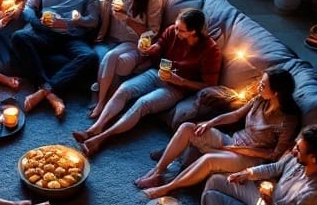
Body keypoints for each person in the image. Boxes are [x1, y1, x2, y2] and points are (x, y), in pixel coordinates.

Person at [73, 8, 221, 157]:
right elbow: (160, 46)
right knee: (124, 89)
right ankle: (94, 129)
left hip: (176, 89)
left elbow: (209, 85)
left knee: (142, 103)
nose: (176, 31)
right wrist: (148, 49)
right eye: (176, 27)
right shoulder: (172, 31)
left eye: (181, 30)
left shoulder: (210, 51)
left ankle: (100, 139)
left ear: (193, 32)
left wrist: (181, 81)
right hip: (156, 74)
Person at [135, 67, 299, 196]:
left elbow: (275, 154)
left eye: (263, 85)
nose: (259, 87)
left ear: (276, 92)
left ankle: (168, 188)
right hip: (233, 141)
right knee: (188, 128)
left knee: (209, 159)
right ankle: (158, 172)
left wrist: (240, 150)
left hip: (250, 158)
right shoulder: (259, 100)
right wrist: (210, 123)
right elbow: (235, 115)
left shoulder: (288, 120)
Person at [10, 0, 100, 118]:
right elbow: (28, 8)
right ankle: (50, 94)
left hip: (72, 37)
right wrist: (38, 23)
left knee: (90, 57)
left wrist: (66, 24)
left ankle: (43, 91)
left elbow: (93, 21)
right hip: (45, 33)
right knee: (18, 37)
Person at [201, 126, 317, 205]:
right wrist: (247, 173)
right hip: (263, 199)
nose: (293, 151)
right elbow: (275, 167)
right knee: (215, 182)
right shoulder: (296, 159)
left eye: (298, 149)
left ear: (313, 158)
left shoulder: (313, 193)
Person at [90, 0, 163, 119]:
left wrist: (127, 18)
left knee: (111, 57)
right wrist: (100, 37)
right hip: (113, 41)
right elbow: (106, 18)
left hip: (135, 44)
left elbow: (153, 33)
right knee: (115, 60)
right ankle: (108, 100)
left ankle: (101, 101)